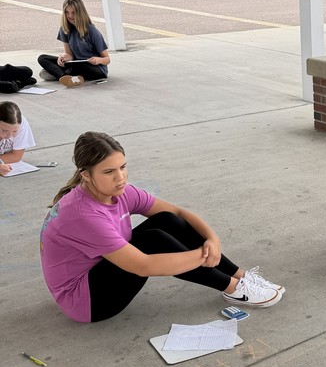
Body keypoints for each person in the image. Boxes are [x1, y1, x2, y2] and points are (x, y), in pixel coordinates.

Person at [40, 131, 285, 322]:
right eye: (109, 171)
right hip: (87, 302)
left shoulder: (119, 191)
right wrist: (203, 254)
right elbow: (144, 265)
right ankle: (234, 288)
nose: (121, 178)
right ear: (85, 174)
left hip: (101, 271)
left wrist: (213, 240)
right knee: (152, 241)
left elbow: (177, 212)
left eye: (123, 167)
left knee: (166, 220)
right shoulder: (82, 215)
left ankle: (241, 276)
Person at [38, 0, 110, 87]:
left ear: (80, 13)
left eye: (73, 13)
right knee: (42, 58)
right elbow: (69, 54)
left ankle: (59, 73)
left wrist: (98, 60)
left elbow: (107, 59)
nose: (70, 16)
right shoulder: (65, 28)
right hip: (75, 63)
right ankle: (66, 78)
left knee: (46, 73)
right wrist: (63, 58)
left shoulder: (91, 31)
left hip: (94, 68)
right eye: (67, 12)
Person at [0, 101, 36, 175]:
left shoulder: (23, 124)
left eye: (14, 131)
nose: (9, 136)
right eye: (4, 130)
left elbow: (16, 156)